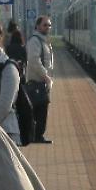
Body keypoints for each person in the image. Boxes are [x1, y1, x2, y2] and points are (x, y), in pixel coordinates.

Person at [27, 15, 55, 144]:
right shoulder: (35, 41)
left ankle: (37, 135)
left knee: (41, 109)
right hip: (37, 81)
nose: (47, 27)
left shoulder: (43, 40)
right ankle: (36, 136)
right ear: (37, 26)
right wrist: (46, 76)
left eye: (49, 25)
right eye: (45, 25)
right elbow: (34, 60)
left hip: (42, 81)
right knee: (39, 109)